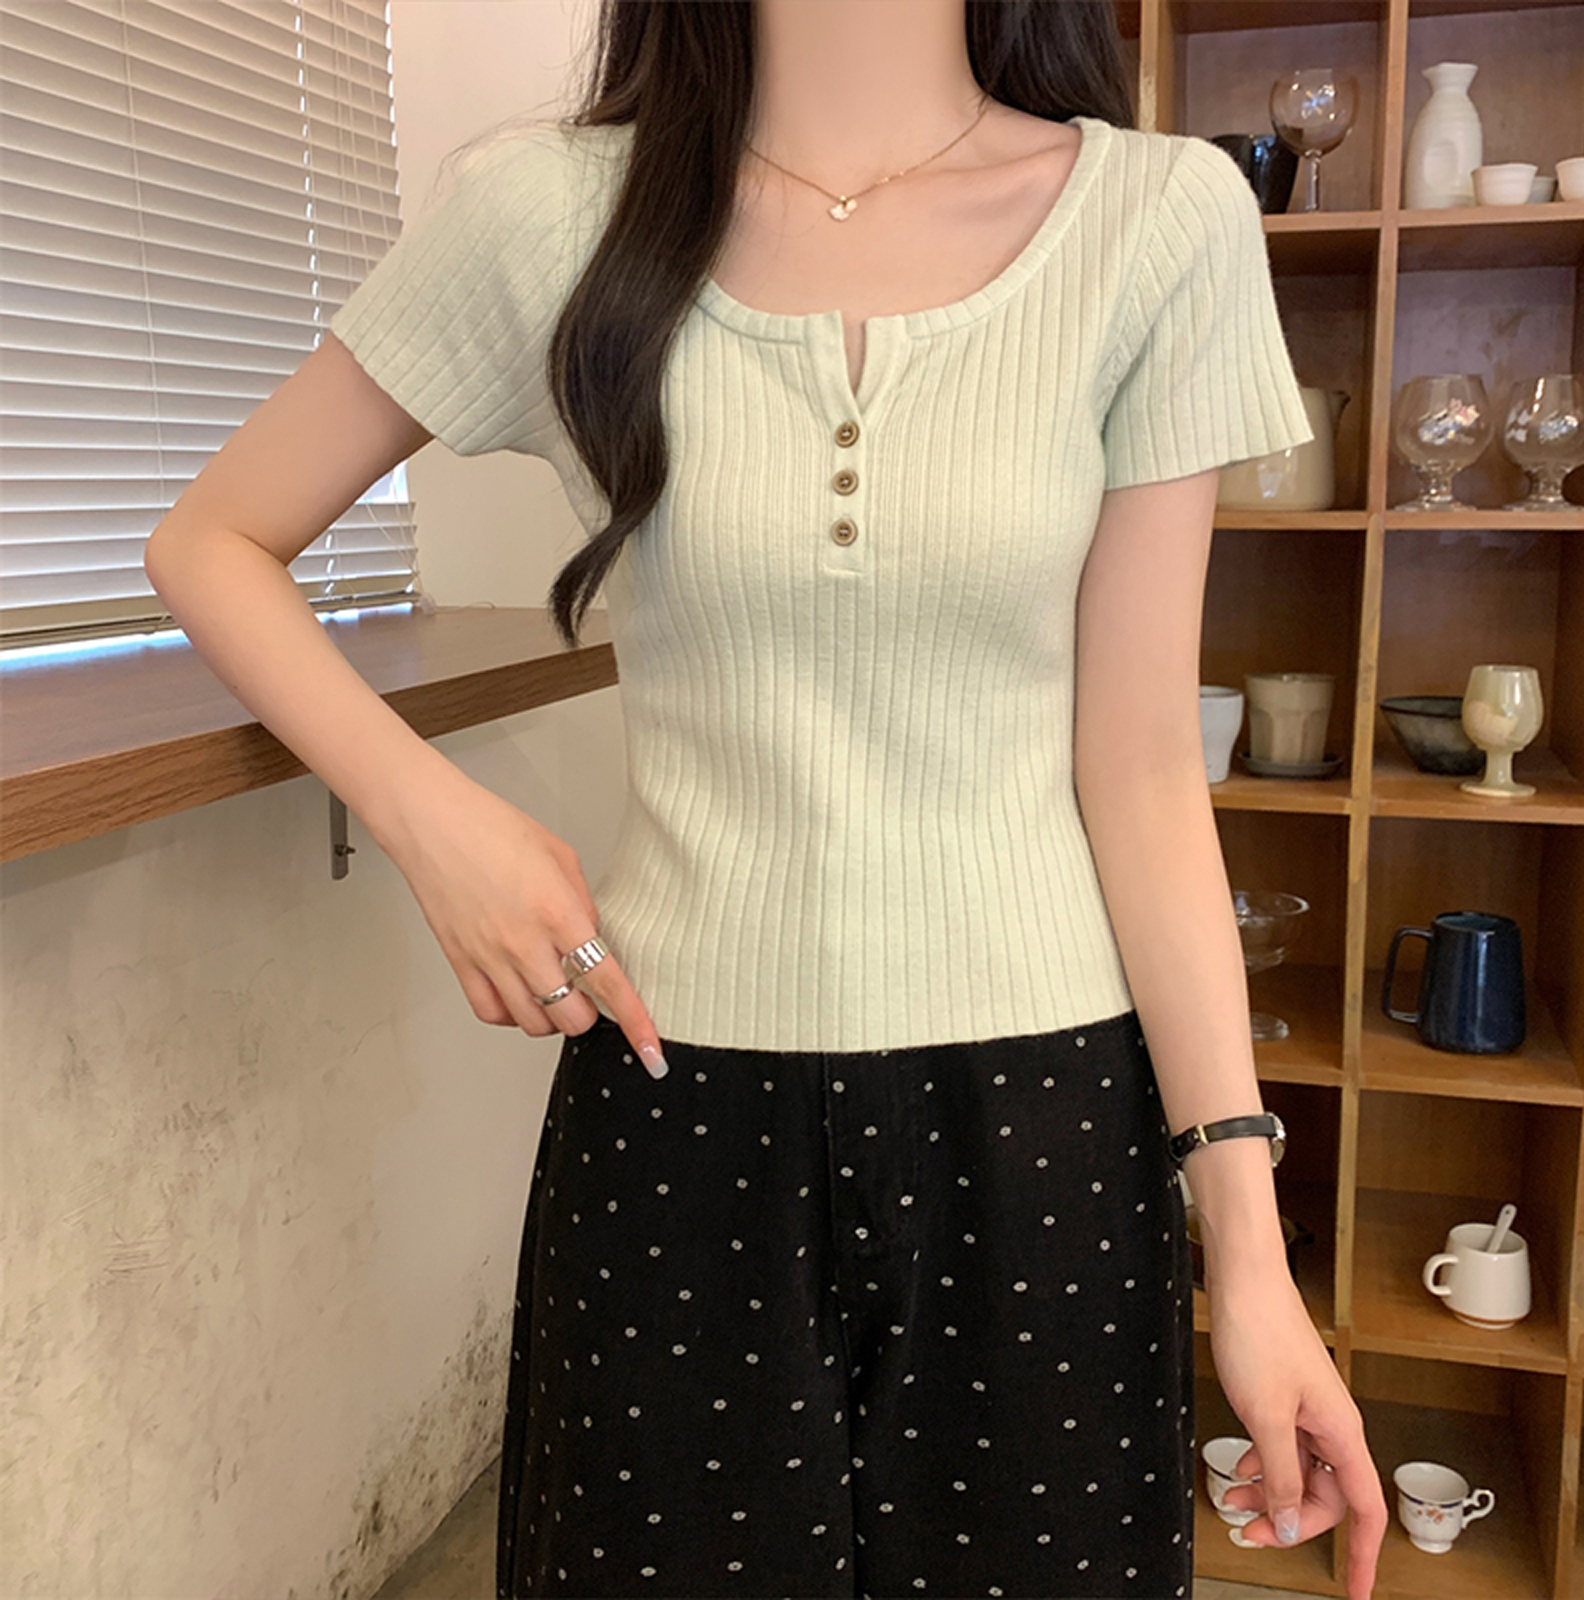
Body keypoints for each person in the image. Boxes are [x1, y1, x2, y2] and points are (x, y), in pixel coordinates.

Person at [144, 2, 1388, 1597]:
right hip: (677, 1117)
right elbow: (213, 539)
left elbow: (1142, 770)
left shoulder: (1158, 219)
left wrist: (1251, 1251)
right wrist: (433, 821)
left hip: (1047, 1133)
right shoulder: (551, 213)